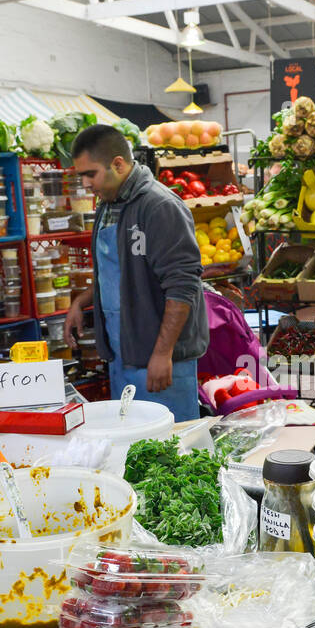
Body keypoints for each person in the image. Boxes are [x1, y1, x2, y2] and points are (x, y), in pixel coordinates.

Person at [64, 125, 208, 421]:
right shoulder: (109, 205)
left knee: (172, 450)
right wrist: (80, 302)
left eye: (90, 174)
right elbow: (122, 272)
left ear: (118, 164)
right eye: (81, 177)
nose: (86, 184)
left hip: (160, 357)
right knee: (135, 445)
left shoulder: (160, 207)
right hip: (123, 354)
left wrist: (162, 353)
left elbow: (183, 284)